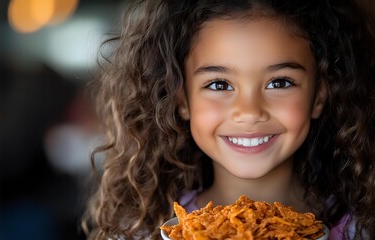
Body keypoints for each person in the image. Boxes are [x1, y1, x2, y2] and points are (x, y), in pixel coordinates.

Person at [81, 0, 375, 239]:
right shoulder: (144, 234)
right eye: (219, 85)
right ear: (182, 101)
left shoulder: (358, 230)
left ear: (319, 96)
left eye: (279, 83)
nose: (248, 111)